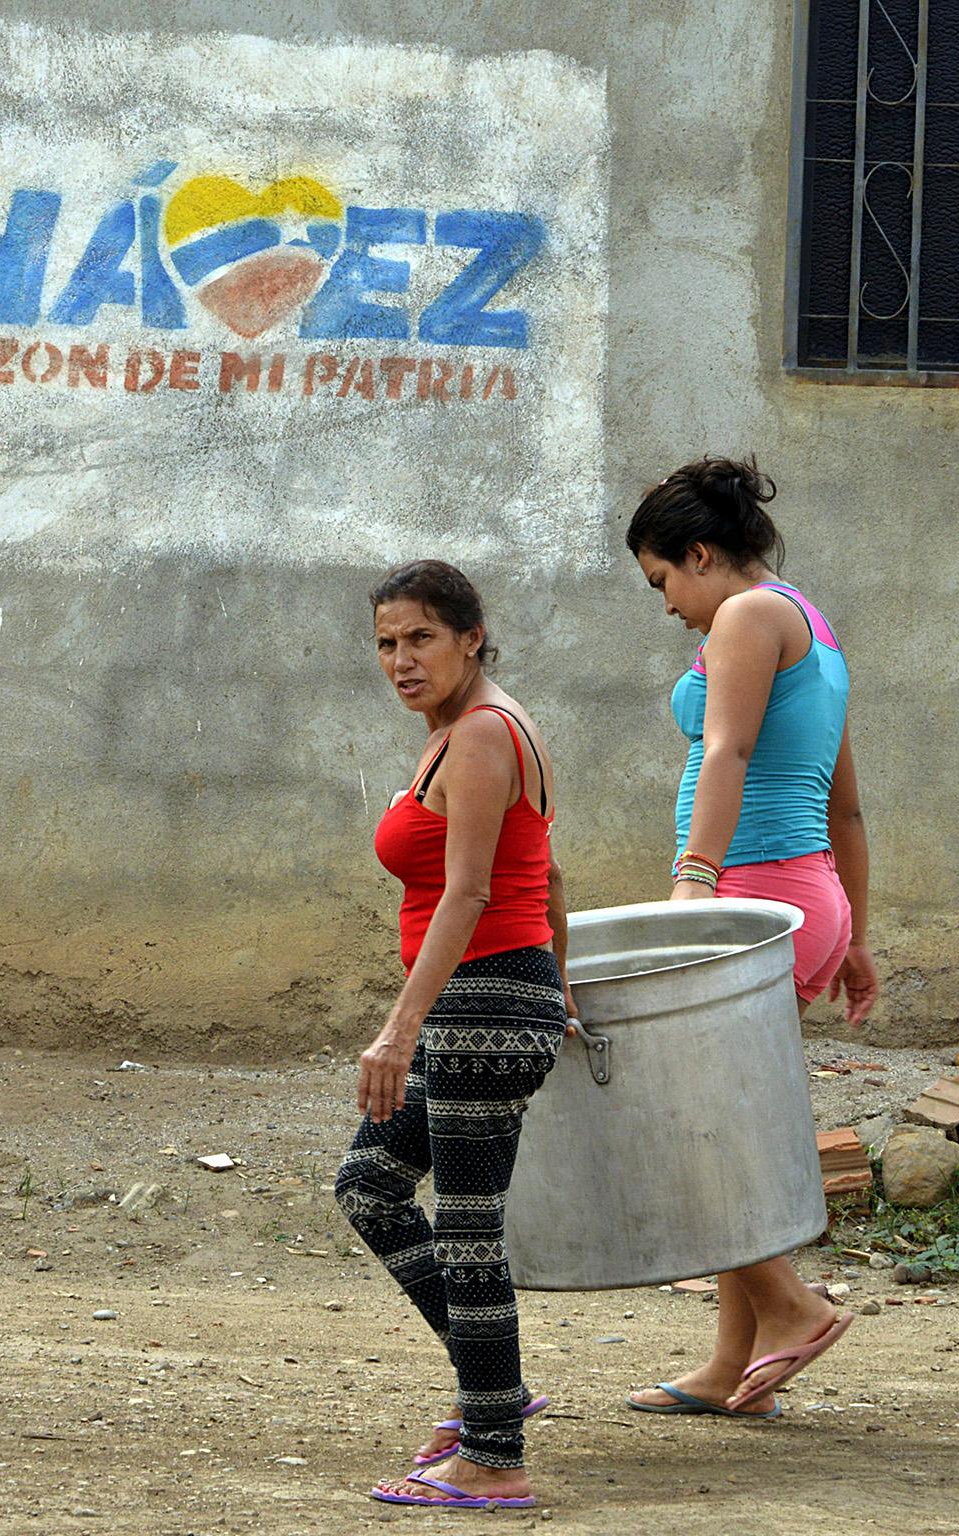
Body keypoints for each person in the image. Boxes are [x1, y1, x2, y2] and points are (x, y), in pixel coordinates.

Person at [621, 455, 880, 1419]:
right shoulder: (809, 623)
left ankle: (793, 1309)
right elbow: (845, 805)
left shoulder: (744, 616)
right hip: (803, 896)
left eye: (663, 581)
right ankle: (734, 1363)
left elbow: (724, 750)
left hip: (747, 895)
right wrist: (852, 932)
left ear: (699, 553)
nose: (668, 606)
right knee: (724, 1119)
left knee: (694, 1129)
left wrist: (695, 884)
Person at [336, 560, 571, 1510]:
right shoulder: (462, 734)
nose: (401, 659)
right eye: (387, 642)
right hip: (496, 1000)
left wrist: (400, 1030)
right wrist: (563, 991)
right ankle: (495, 1392)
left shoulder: (480, 735)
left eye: (421, 638)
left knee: (469, 1232)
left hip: (479, 1004)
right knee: (371, 1185)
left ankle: (493, 1456)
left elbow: (473, 893)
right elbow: (551, 878)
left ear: (472, 636)